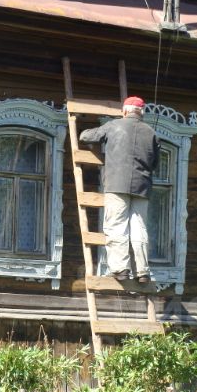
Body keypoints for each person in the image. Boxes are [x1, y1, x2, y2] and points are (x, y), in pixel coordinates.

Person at [79, 96, 159, 283]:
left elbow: (86, 136)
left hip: (116, 184)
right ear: (142, 112)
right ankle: (142, 272)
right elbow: (155, 164)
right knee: (139, 228)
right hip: (142, 187)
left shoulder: (114, 126)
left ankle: (120, 269)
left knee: (116, 226)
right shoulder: (151, 133)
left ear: (124, 111)